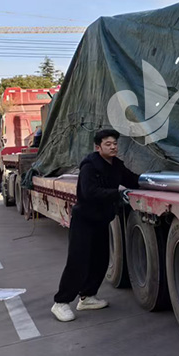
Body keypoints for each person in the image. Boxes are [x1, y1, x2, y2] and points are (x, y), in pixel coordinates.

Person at [51, 128, 140, 322]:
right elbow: (89, 192)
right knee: (78, 262)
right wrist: (117, 194)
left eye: (115, 143)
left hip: (101, 220)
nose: (113, 147)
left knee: (100, 260)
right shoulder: (90, 166)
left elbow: (132, 179)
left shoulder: (116, 165)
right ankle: (61, 302)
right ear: (98, 147)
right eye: (108, 144)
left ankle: (87, 297)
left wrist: (149, 182)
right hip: (84, 220)